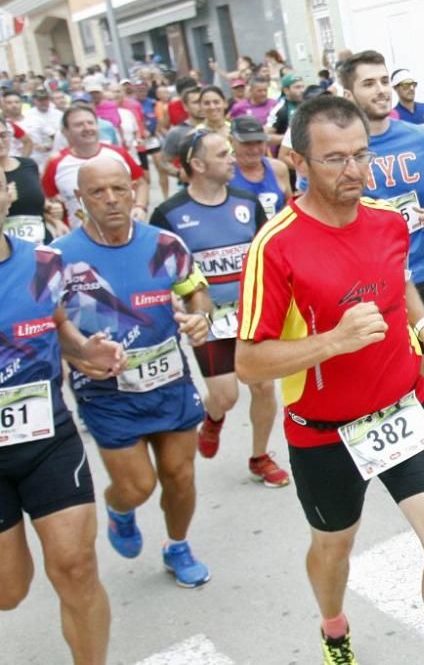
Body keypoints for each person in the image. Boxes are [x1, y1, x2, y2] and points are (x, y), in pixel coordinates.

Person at [235, 94, 424, 665]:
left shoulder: (389, 220)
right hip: (324, 430)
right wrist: (332, 342)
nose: (353, 171)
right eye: (335, 159)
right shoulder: (277, 245)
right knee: (334, 548)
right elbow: (248, 361)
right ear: (300, 161)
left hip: (401, 409)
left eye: (361, 156)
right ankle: (334, 628)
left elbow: (401, 287)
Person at [53, 157, 215, 587]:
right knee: (138, 486)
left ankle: (177, 546)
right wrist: (76, 354)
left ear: (132, 190)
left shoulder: (163, 244)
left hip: (170, 384)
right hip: (106, 392)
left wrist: (200, 317)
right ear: (79, 199)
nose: (110, 200)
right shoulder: (58, 258)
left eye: (118, 189)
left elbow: (196, 292)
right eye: (97, 192)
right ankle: (119, 508)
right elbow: (38, 325)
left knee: (180, 477)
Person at [0, 166, 126, 665]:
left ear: (7, 192)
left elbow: (59, 330)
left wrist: (85, 350)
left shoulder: (42, 261)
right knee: (9, 590)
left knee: (76, 567)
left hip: (46, 435)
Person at [149, 129, 288, 486]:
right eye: (223, 153)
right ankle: (213, 419)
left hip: (250, 313)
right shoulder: (169, 213)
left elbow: (265, 256)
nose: (232, 158)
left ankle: (259, 456)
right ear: (197, 164)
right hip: (207, 317)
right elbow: (159, 272)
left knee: (263, 387)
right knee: (225, 395)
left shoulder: (245, 201)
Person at [339, 50, 424, 378]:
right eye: (368, 83)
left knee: (420, 375)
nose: (381, 89)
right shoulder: (336, 148)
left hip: (421, 274)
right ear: (349, 95)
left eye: (383, 80)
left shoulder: (420, 138)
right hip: (363, 285)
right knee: (377, 378)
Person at [42, 105, 149, 229]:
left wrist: (140, 206)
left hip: (124, 234)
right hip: (80, 239)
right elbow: (44, 200)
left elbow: (141, 183)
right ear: (66, 131)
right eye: (79, 125)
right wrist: (56, 222)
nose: (87, 128)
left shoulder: (119, 154)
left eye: (90, 123)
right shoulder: (56, 163)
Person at [0, 117, 62, 244]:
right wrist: (5, 202)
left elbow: (36, 205)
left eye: (3, 135)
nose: (0, 142)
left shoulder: (28, 165)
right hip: (6, 255)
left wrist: (54, 217)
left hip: (40, 248)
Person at [229, 115, 292, 219]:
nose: (254, 149)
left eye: (259, 142)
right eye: (247, 143)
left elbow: (289, 208)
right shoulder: (223, 172)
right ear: (231, 141)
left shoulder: (278, 169)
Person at [23, 87, 62, 170]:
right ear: (35, 101)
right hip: (36, 155)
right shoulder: (28, 115)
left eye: (45, 100)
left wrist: (49, 145)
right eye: (40, 100)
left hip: (56, 152)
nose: (43, 103)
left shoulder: (59, 114)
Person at [266, 74, 306, 149]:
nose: (302, 90)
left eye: (303, 86)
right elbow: (267, 137)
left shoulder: (309, 103)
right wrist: (290, 138)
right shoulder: (280, 109)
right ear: (286, 90)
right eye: (297, 87)